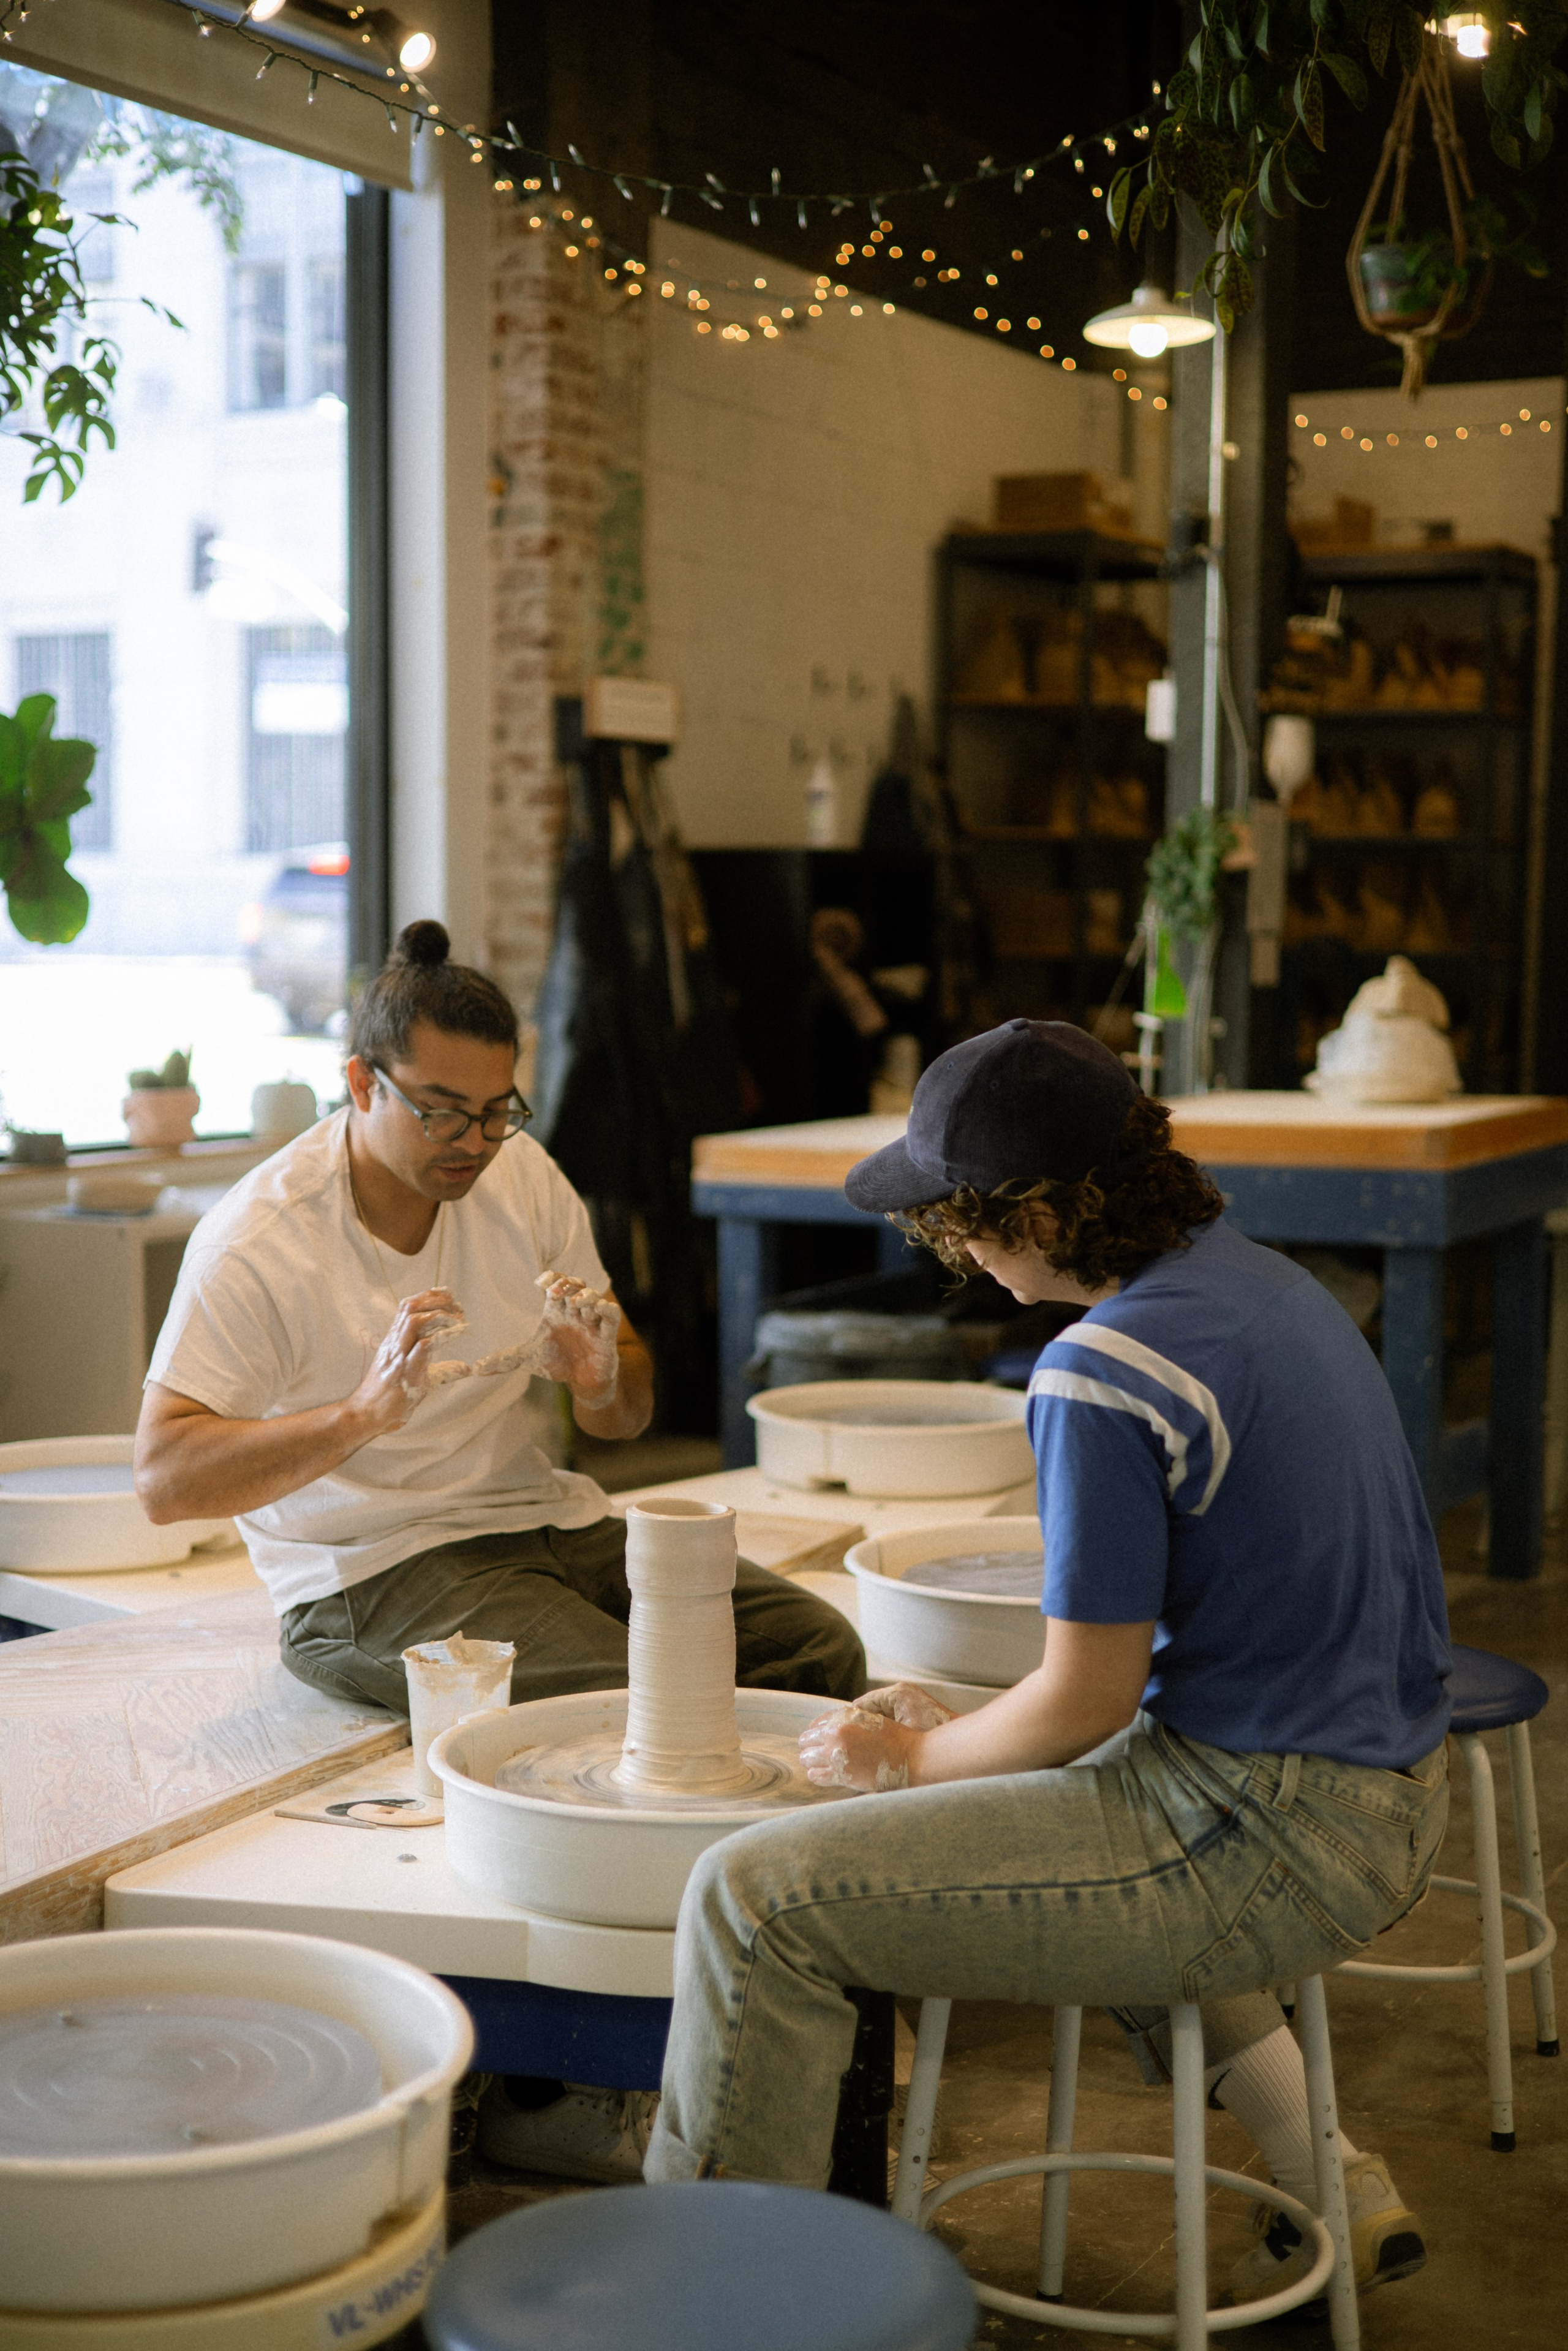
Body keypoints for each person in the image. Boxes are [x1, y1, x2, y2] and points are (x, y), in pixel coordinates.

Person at [646, 1018, 1450, 2308]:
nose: (952, 1248)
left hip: (1266, 1830)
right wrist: (961, 1726)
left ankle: (720, 2305)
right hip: (1387, 1790)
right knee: (1043, 1805)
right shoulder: (1262, 1284)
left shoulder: (1093, 1368)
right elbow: (1164, 1670)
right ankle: (1330, 2177)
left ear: (1028, 1207)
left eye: (955, 1217)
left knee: (753, 1899)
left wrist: (910, 1755)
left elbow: (1081, 1702)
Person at [135, 919, 864, 2181]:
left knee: (817, 1648)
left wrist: (599, 1377)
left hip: (536, 1518)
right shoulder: (260, 1237)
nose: (474, 1141)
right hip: (363, 1566)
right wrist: (361, 1416)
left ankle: (773, 1962)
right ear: (360, 1083)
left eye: (495, 1109)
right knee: (630, 1709)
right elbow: (164, 1477)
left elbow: (625, 1413)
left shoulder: (522, 1180)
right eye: (440, 1111)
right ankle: (558, 2080)